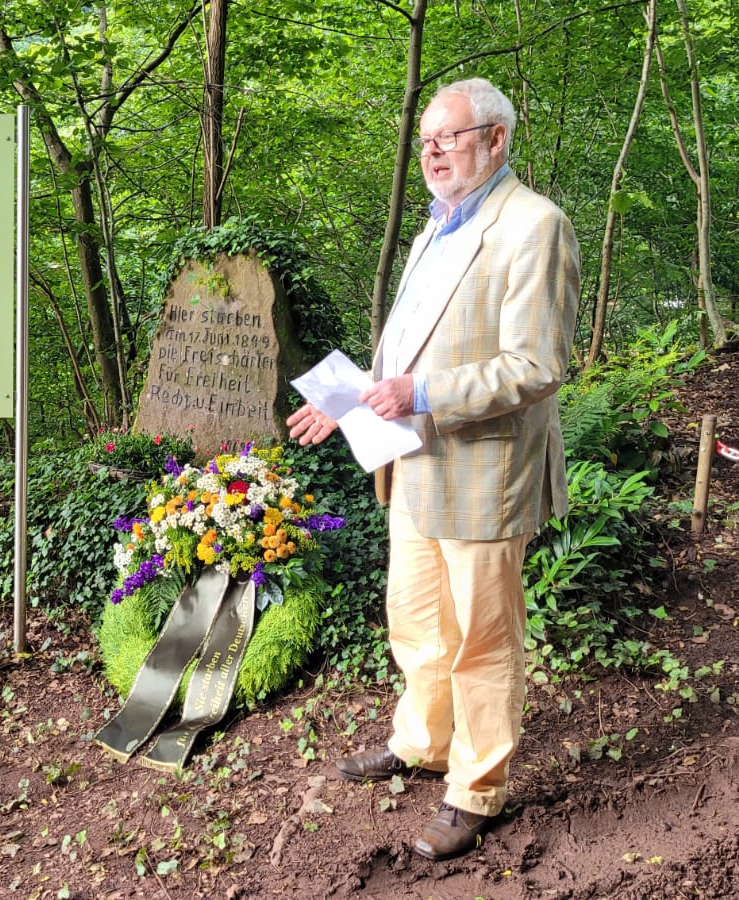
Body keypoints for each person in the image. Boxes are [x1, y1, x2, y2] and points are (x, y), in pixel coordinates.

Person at [287, 77, 579, 861]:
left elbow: (537, 366)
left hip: (484, 472)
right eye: (425, 141)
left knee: (482, 638)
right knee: (416, 622)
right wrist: (351, 399)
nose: (433, 152)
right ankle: (422, 742)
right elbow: (408, 349)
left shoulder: (535, 225)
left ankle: (476, 788)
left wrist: (419, 393)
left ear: (496, 139)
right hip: (412, 463)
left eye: (449, 137)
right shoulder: (433, 228)